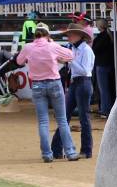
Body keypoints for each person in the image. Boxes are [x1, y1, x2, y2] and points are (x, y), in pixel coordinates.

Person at [16, 24, 77, 162]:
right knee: (62, 120)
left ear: (35, 35)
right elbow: (70, 55)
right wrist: (52, 43)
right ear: (47, 35)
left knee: (43, 121)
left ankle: (46, 154)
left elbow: (19, 61)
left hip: (37, 84)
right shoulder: (52, 46)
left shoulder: (28, 47)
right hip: (54, 82)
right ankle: (70, 152)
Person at [52, 23, 94, 159]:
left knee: (82, 117)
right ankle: (57, 150)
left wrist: (69, 61)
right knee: (66, 116)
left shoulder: (86, 50)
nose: (68, 37)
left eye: (71, 34)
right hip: (77, 83)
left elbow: (85, 70)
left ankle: (86, 150)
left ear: (79, 35)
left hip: (83, 82)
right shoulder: (73, 48)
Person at [92, 19, 115, 118]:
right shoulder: (109, 35)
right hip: (108, 64)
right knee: (107, 88)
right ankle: (107, 108)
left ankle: (105, 109)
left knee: (103, 89)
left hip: (102, 64)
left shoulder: (102, 36)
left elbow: (95, 49)